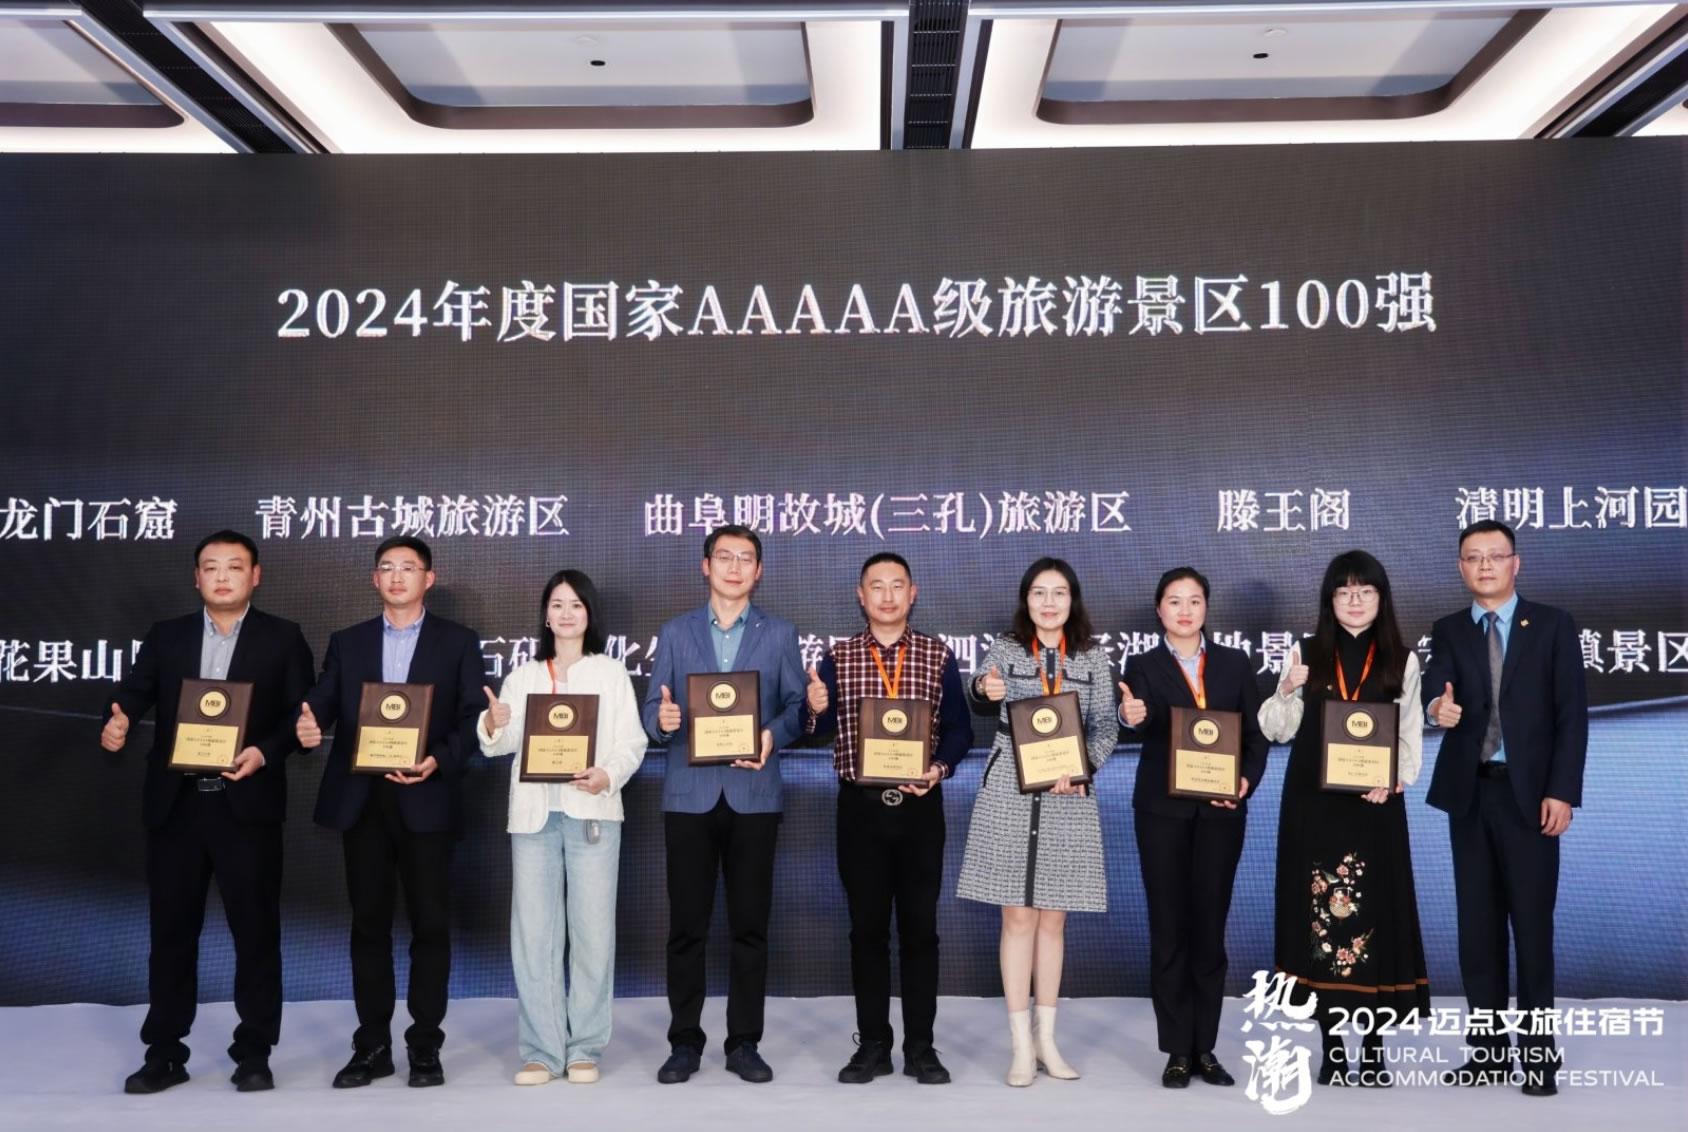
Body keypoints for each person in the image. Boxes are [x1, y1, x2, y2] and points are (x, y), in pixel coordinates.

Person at [101, 530, 313, 1094]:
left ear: (255, 576)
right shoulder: (167, 636)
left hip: (246, 805)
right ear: (196, 577)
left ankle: (254, 1053)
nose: (222, 576)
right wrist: (118, 719)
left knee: (256, 933)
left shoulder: (283, 637)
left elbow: (299, 717)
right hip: (177, 806)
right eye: (211, 567)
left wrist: (266, 751)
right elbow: (134, 692)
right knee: (171, 933)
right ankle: (165, 1053)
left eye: (234, 566)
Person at [295, 535, 484, 1089]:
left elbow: (473, 716)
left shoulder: (458, 642)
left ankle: (425, 1045)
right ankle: (372, 1045)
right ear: (374, 579)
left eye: (409, 567)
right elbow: (323, 700)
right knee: (369, 926)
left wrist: (438, 759)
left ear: (429, 578)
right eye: (387, 567)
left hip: (427, 798)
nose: (397, 576)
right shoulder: (349, 641)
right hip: (365, 803)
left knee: (430, 925)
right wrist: (308, 723)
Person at [1423, 520, 1587, 1097]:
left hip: (1532, 797)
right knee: (1479, 928)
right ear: (1461, 568)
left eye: (1495, 556)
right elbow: (1436, 687)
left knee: (1532, 927)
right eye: (1473, 557)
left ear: (1516, 563)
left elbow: (1571, 715)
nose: (1485, 566)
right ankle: (1489, 1053)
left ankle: (1539, 1056)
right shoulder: (1448, 629)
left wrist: (1562, 791)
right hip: (1470, 794)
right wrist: (1436, 709)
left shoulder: (1552, 625)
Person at [640, 524, 806, 1085]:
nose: (735, 567)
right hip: (689, 795)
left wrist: (773, 736)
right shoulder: (675, 631)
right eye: (725, 557)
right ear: (705, 565)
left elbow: (796, 708)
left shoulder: (779, 633)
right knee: (686, 927)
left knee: (749, 927)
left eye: (746, 558)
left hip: (753, 794)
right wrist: (662, 721)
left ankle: (744, 1042)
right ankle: (684, 1042)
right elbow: (653, 708)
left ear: (759, 571)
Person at [1259, 550, 1429, 1087]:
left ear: (1381, 598)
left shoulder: (1402, 659)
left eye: (1365, 591)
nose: (1355, 601)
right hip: (1313, 806)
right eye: (1344, 592)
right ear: (1329, 600)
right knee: (1319, 920)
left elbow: (1409, 734)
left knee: (1374, 916)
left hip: (1375, 805)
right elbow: (1276, 730)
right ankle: (1332, 1048)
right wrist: (1287, 688)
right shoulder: (1306, 652)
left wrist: (1394, 780)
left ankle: (1374, 1050)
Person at [803, 552, 972, 1086]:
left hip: (920, 809)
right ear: (861, 595)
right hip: (860, 810)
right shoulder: (839, 656)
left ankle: (921, 1047)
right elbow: (818, 730)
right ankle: (873, 1043)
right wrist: (815, 707)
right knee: (867, 932)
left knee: (921, 931)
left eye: (897, 585)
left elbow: (961, 730)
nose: (887, 596)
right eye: (876, 586)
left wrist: (938, 768)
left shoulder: (937, 655)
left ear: (912, 593)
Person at [479, 570, 648, 1086]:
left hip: (592, 812)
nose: (567, 613)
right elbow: (502, 742)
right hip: (534, 818)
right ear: (546, 615)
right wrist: (492, 723)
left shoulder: (610, 673)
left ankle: (585, 1049)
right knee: (534, 936)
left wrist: (607, 776)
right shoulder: (524, 675)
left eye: (576, 604)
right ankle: (541, 1051)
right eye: (557, 604)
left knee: (593, 934)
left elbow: (632, 743)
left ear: (589, 614)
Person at [957, 557, 1119, 1086]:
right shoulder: (1007, 649)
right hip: (1009, 790)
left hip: (1070, 793)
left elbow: (1105, 728)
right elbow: (980, 690)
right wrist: (985, 690)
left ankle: (1047, 1039)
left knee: (1053, 920)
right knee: (1017, 919)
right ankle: (1021, 1045)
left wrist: (1085, 766)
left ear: (1073, 600)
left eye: (1059, 593)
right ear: (1025, 600)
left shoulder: (1092, 656)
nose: (1049, 603)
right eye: (1039, 593)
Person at [1118, 567, 1268, 1089]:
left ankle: (1206, 1047)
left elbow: (1254, 737)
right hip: (1162, 813)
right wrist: (1130, 715)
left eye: (1195, 600)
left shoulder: (1234, 663)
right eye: (1174, 601)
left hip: (1221, 812)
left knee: (1209, 928)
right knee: (1169, 928)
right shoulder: (1142, 665)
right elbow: (1139, 722)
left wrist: (1245, 782)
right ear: (1159, 609)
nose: (1185, 610)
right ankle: (1177, 1050)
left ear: (1206, 607)